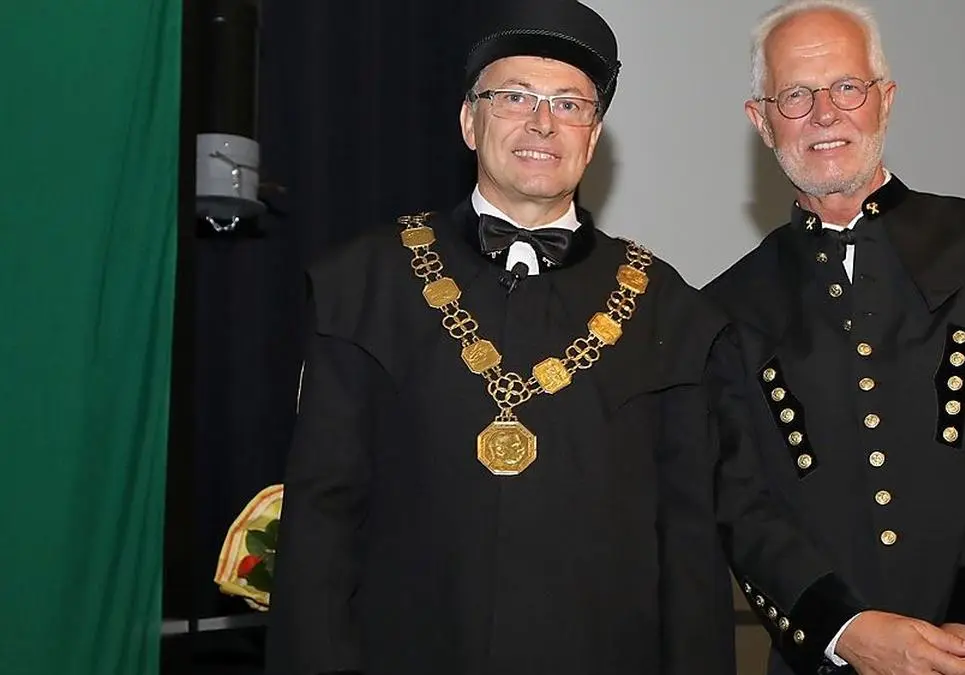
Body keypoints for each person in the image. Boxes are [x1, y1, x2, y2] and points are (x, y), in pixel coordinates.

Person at [264, 2, 828, 674]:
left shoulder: (670, 313)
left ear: (593, 137)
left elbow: (689, 561)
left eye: (569, 104)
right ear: (469, 121)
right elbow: (319, 533)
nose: (542, 122)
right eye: (515, 97)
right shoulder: (361, 285)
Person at [703, 1, 965, 674]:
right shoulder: (725, 309)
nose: (824, 113)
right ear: (761, 120)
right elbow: (739, 501)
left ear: (885, 100)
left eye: (847, 87)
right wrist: (846, 628)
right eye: (795, 95)